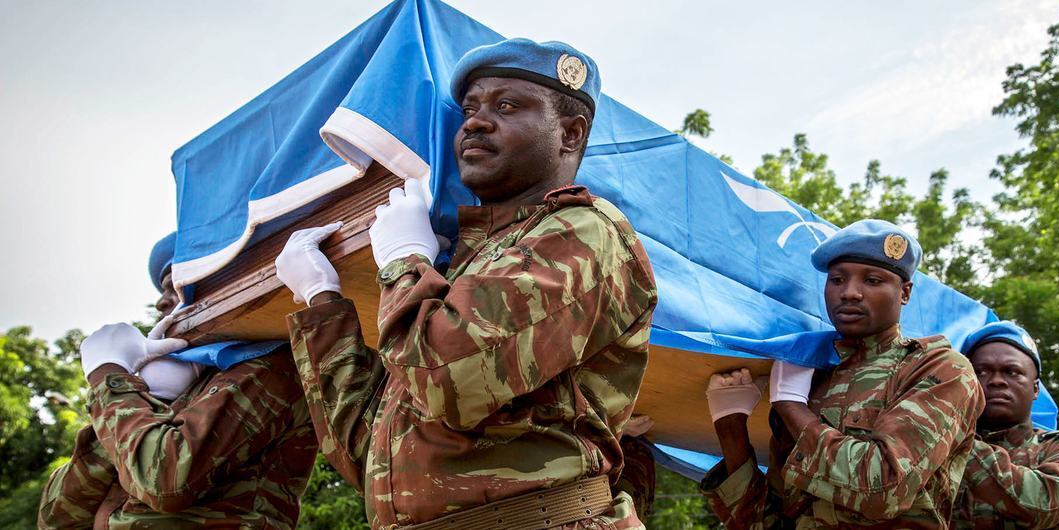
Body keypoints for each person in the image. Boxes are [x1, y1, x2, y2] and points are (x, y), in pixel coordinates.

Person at [276, 38, 658, 529]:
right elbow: (370, 454)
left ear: (569, 133)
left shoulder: (584, 231)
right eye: (469, 110)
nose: (475, 122)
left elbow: (445, 379)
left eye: (507, 106)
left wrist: (403, 261)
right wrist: (322, 300)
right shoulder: (461, 270)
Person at [701, 219, 984, 528]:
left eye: (872, 280)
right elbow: (764, 523)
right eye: (837, 280)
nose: (849, 293)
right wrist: (730, 426)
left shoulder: (940, 368)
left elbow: (884, 489)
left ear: (904, 293)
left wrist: (792, 407)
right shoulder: (814, 376)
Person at [38, 233, 318, 529]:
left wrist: (108, 376)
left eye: (179, 284)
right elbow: (58, 518)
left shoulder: (268, 365)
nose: (161, 301)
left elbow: (165, 482)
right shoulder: (171, 382)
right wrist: (148, 394)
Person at [954, 321, 1059, 529]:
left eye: (1012, 372)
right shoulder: (936, 451)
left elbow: (1037, 504)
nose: (996, 381)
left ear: (1035, 389)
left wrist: (954, 437)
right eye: (981, 372)